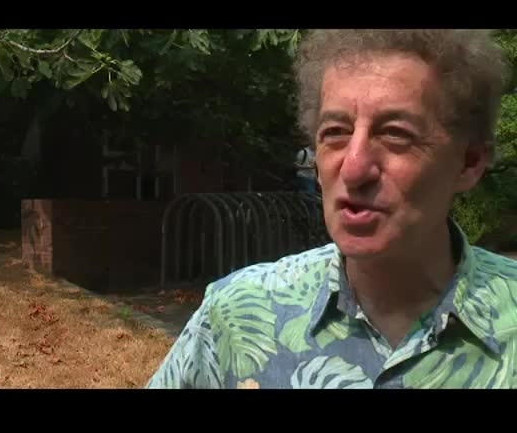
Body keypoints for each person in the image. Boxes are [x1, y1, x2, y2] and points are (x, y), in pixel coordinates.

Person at [147, 30, 517, 389]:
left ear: (469, 162)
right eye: (336, 132)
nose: (353, 169)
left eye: (395, 133)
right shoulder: (237, 316)